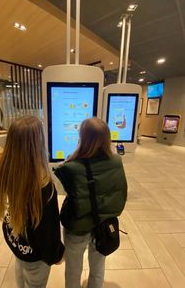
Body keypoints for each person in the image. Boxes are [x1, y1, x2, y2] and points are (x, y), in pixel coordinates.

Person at [54, 117, 127, 288]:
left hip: (77, 228)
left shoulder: (70, 166)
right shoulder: (117, 161)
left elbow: (61, 188)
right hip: (103, 226)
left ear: (82, 138)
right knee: (98, 266)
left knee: (73, 270)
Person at [0, 116, 64, 288]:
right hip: (34, 254)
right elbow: (48, 232)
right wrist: (57, 255)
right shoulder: (44, 187)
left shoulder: (7, 170)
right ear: (38, 143)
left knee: (21, 275)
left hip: (17, 242)